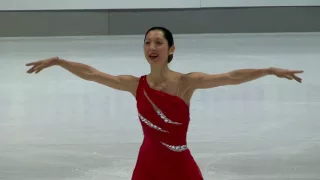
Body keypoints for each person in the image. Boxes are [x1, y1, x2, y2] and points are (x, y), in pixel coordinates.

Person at [26, 26, 303, 180]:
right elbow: (93, 74)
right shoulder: (136, 85)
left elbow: (230, 77)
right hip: (147, 165)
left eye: (159, 42)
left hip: (179, 166)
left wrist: (268, 70)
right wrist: (59, 62)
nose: (152, 47)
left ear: (171, 49)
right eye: (148, 42)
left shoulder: (186, 83)